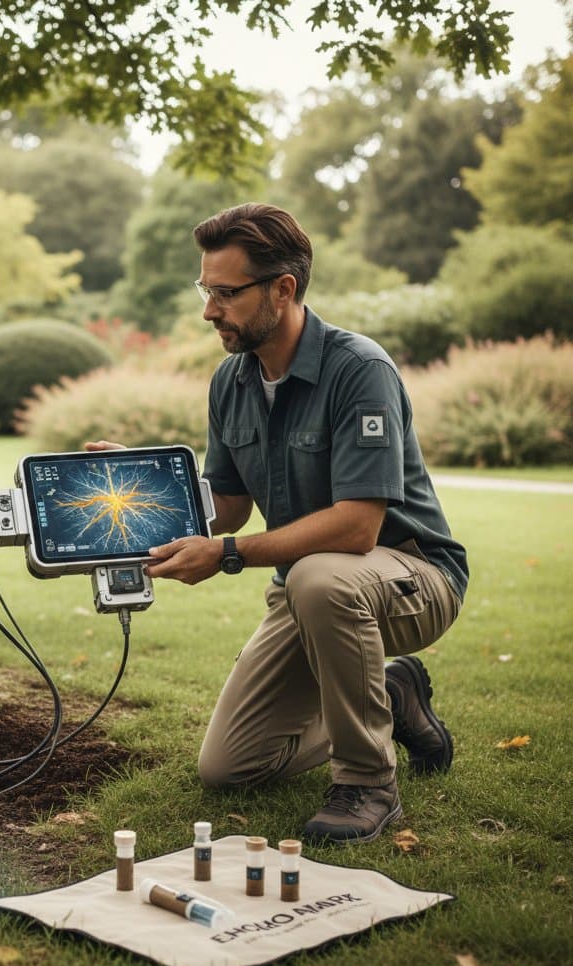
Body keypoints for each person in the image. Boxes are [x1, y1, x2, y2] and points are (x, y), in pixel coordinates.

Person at [88, 203, 467, 844]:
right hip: (310, 588)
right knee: (230, 767)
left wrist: (228, 554)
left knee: (321, 579)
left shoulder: (359, 371)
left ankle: (367, 783)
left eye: (226, 293)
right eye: (206, 291)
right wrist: (146, 482)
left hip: (412, 575)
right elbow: (228, 502)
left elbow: (356, 529)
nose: (210, 310)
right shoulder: (231, 381)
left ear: (283, 289)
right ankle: (391, 695)